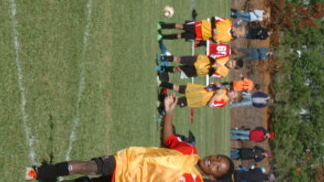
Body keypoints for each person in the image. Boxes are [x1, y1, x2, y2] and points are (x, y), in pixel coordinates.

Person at [25, 94, 235, 181]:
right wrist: (169, 111)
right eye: (217, 158)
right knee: (88, 166)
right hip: (128, 160)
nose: (213, 161)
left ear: (213, 177)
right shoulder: (190, 151)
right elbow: (169, 139)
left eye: (217, 167)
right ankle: (40, 172)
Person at [157, 80, 240, 109]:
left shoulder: (223, 102)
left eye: (234, 93)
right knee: (178, 87)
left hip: (198, 100)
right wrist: (215, 84)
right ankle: (161, 83)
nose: (232, 91)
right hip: (198, 89)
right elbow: (210, 87)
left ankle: (161, 103)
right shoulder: (224, 89)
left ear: (232, 99)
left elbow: (210, 104)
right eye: (234, 90)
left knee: (177, 101)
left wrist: (216, 95)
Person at [156, 54, 244, 78]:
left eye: (232, 65)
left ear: (233, 68)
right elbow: (211, 54)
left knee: (178, 69)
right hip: (199, 60)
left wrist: (214, 69)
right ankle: (163, 58)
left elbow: (210, 74)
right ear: (233, 59)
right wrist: (214, 62)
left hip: (198, 71)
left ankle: (163, 68)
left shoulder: (224, 74)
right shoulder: (224, 55)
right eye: (232, 62)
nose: (230, 64)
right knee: (179, 59)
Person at [158, 17, 236, 43]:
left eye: (240, 36)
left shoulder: (228, 39)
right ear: (238, 28)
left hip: (201, 36)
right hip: (201, 26)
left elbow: (215, 40)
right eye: (240, 33)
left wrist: (215, 40)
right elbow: (213, 18)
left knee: (180, 36)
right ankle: (162, 26)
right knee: (180, 26)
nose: (238, 35)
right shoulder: (228, 22)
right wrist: (214, 29)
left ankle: (162, 37)